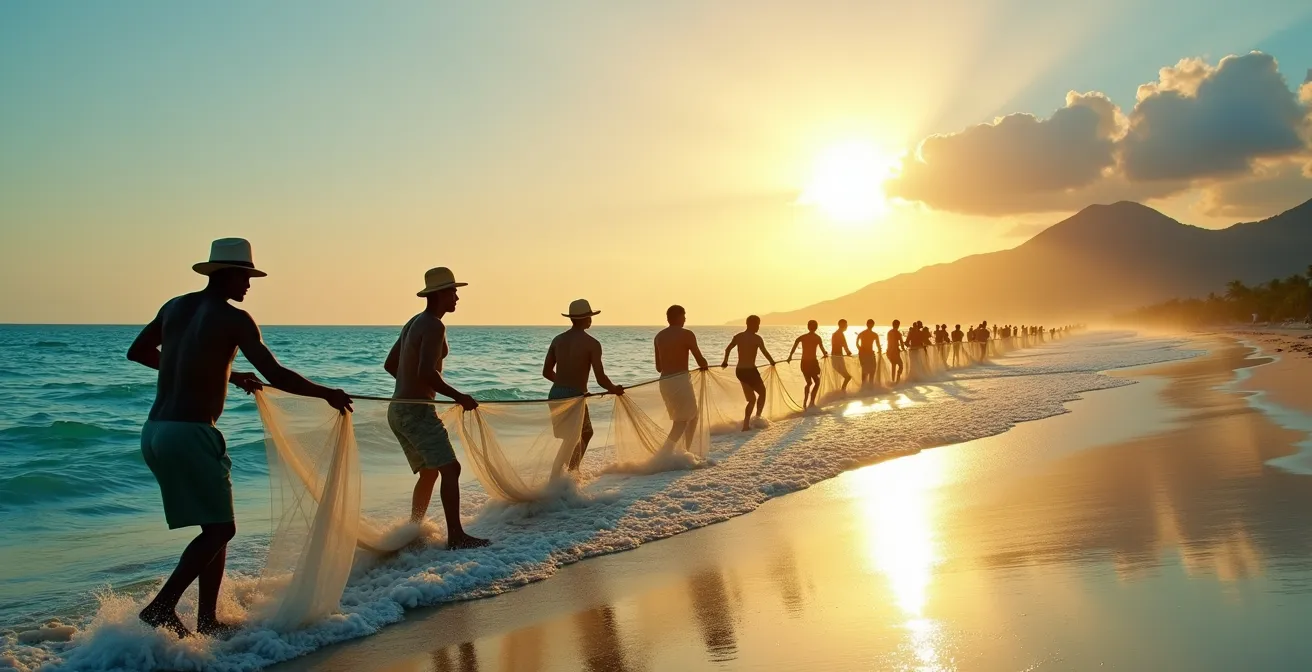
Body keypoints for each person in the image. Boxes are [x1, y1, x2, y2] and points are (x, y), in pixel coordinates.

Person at [127, 238, 353, 638]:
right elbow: (277, 375)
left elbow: (139, 351)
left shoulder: (175, 306)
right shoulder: (236, 319)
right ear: (226, 274)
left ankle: (207, 620)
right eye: (245, 276)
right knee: (221, 530)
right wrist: (328, 393)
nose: (248, 285)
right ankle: (161, 607)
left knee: (217, 525)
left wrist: (224, 374)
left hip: (155, 432)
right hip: (191, 434)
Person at [384, 267, 489, 550]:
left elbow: (390, 365)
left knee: (430, 472)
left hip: (399, 410)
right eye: (453, 292)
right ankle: (456, 536)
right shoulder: (433, 325)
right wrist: (459, 396)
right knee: (451, 469)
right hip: (415, 412)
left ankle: (413, 531)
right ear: (439, 294)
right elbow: (428, 372)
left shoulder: (413, 322)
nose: (456, 297)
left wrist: (412, 389)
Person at [543, 299, 624, 472]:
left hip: (555, 393)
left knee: (570, 438)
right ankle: (569, 474)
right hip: (574, 395)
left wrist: (563, 384)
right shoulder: (592, 344)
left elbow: (546, 372)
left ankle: (562, 477)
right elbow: (600, 378)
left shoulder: (558, 340)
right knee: (584, 434)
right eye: (590, 316)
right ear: (587, 318)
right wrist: (614, 389)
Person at [654, 305, 709, 451]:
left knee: (683, 419)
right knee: (685, 420)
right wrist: (705, 364)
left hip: (665, 382)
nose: (685, 319)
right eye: (684, 316)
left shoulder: (659, 336)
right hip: (680, 381)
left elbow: (659, 368)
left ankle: (681, 450)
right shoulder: (687, 334)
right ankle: (669, 453)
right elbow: (700, 360)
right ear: (679, 317)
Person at [721, 315, 777, 431]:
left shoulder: (738, 337)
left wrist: (725, 361)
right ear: (752, 324)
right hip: (749, 371)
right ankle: (755, 419)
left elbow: (728, 349)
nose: (758, 327)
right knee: (760, 394)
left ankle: (749, 423)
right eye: (757, 325)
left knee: (755, 397)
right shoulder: (757, 338)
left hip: (741, 371)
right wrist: (772, 362)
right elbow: (765, 353)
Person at [787, 320, 829, 408]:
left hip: (805, 363)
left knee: (809, 383)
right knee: (817, 382)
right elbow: (823, 350)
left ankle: (805, 403)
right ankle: (811, 402)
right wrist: (825, 354)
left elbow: (795, 345)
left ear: (808, 327)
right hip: (812, 363)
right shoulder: (817, 338)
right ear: (816, 328)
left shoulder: (803, 337)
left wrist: (790, 356)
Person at [855, 319, 882, 388]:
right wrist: (860, 348)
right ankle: (863, 387)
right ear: (867, 324)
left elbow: (878, 345)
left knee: (872, 370)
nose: (870, 325)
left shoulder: (874, 335)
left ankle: (870, 386)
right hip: (863, 354)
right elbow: (857, 342)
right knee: (865, 370)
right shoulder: (862, 333)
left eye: (871, 324)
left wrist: (879, 351)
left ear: (873, 325)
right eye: (869, 324)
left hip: (870, 354)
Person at [830, 319, 853, 392]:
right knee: (848, 377)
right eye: (846, 325)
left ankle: (842, 391)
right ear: (842, 325)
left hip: (835, 357)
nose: (847, 326)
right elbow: (845, 346)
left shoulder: (835, 333)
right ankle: (842, 391)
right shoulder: (840, 334)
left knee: (847, 376)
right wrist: (849, 353)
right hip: (838, 358)